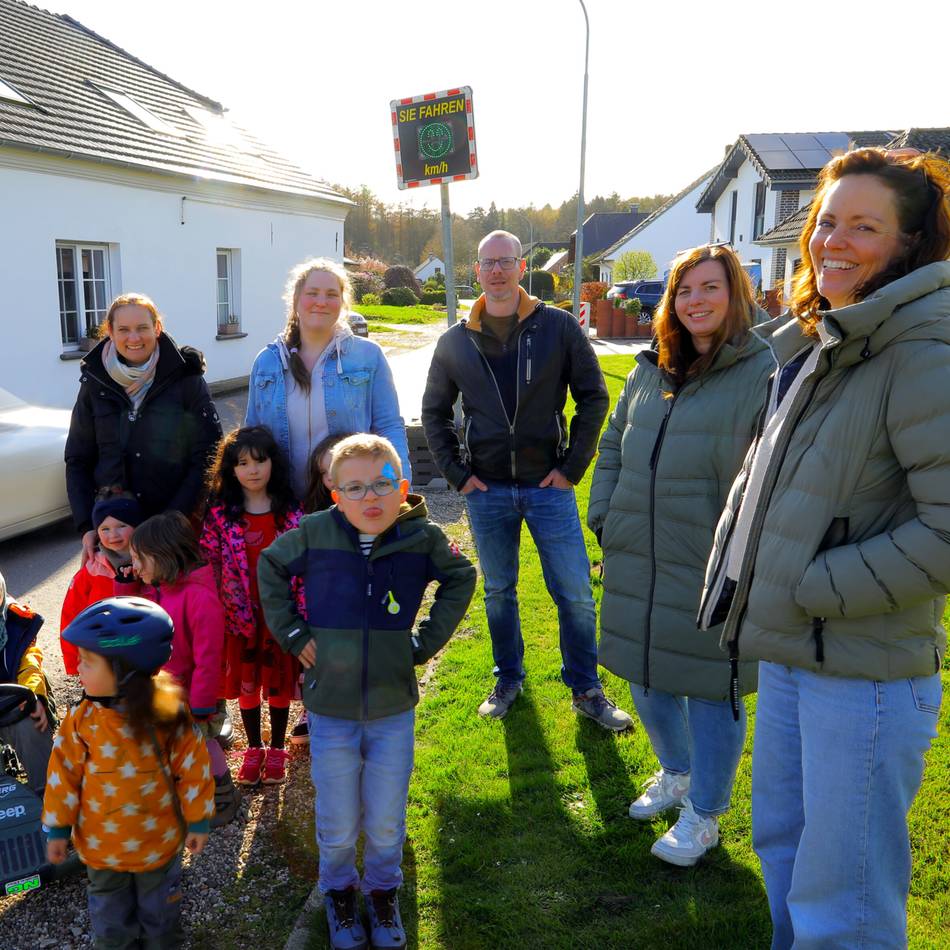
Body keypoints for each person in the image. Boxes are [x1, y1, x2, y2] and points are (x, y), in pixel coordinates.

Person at [700, 148, 950, 947]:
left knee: (844, 906)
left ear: (909, 244)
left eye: (864, 227)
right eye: (827, 221)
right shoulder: (834, 338)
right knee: (787, 852)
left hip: (863, 670)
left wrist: (810, 582)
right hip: (793, 651)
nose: (832, 241)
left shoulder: (921, 348)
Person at [587, 244, 773, 866]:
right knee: (644, 673)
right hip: (638, 553)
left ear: (735, 295)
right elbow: (613, 445)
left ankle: (707, 813)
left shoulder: (761, 370)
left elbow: (769, 475)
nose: (696, 301)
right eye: (685, 289)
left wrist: (741, 559)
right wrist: (605, 517)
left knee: (710, 687)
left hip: (709, 563)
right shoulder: (650, 369)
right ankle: (678, 772)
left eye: (710, 288)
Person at [258, 434, 475, 950]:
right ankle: (338, 893)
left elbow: (460, 577)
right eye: (354, 487)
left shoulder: (420, 538)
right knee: (335, 818)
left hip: (391, 708)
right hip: (330, 709)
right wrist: (293, 634)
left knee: (383, 818)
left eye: (381, 484)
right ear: (335, 494)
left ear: (401, 488)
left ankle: (381, 892)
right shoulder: (314, 533)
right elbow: (270, 567)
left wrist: (421, 644)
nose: (369, 498)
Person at [421, 229, 630, 728]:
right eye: (487, 262)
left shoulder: (557, 328)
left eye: (506, 261)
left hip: (547, 487)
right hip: (486, 490)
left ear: (522, 266)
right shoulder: (455, 341)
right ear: (477, 270)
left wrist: (571, 468)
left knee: (575, 592)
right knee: (498, 591)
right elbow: (434, 413)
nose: (496, 271)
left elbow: (593, 398)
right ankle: (509, 678)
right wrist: (457, 474)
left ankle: (586, 688)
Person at [44, 597, 214, 949]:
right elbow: (63, 774)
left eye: (88, 662)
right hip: (102, 851)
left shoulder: (167, 716)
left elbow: (193, 769)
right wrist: (58, 829)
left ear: (126, 671)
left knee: (161, 921)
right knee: (110, 926)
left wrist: (198, 820)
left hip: (157, 847)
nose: (77, 669)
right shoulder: (83, 720)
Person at [65, 292, 223, 567]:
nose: (134, 338)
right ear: (110, 333)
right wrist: (86, 526)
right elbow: (78, 459)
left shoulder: (185, 377)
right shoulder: (94, 381)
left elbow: (209, 455)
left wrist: (174, 519)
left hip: (172, 530)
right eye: (123, 330)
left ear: (157, 328)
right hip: (114, 536)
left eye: (142, 328)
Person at [245, 258, 410, 501]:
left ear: (342, 303)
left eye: (331, 294)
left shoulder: (367, 356)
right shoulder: (267, 362)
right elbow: (251, 437)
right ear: (295, 301)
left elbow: (388, 427)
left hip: (351, 502)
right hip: (281, 505)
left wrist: (398, 488)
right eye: (312, 293)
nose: (321, 302)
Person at [118, 511, 239, 827]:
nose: (137, 566)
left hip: (197, 695)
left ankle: (222, 794)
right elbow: (128, 615)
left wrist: (201, 705)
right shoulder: (155, 588)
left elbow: (209, 658)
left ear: (164, 556)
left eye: (140, 559)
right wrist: (127, 585)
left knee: (203, 744)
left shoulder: (200, 599)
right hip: (166, 691)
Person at [201, 425, 306, 785]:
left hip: (279, 615)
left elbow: (303, 563)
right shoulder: (219, 514)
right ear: (230, 469)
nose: (253, 470)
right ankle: (253, 748)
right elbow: (210, 561)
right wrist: (215, 608)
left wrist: (302, 611)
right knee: (247, 685)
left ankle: (277, 748)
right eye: (243, 463)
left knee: (277, 683)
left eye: (260, 461)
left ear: (273, 464)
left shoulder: (290, 512)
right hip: (238, 616)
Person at [60, 486, 144, 674]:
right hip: (100, 661)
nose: (113, 535)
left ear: (137, 526)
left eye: (121, 526)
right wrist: (75, 665)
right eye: (105, 528)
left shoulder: (149, 567)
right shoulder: (91, 571)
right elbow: (71, 617)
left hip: (142, 658)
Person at [0, 571, 55, 796]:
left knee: (32, 723)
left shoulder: (18, 623)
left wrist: (33, 696)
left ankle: (49, 794)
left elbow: (30, 663)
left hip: (14, 698)